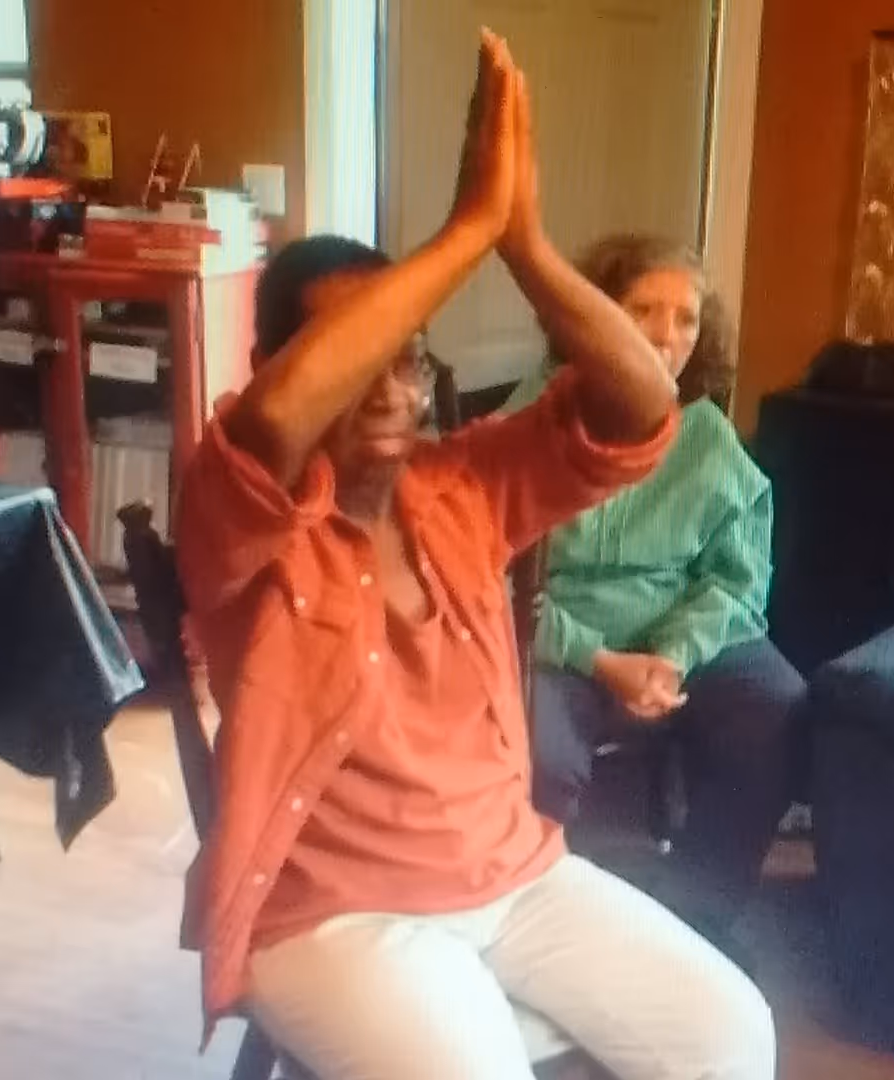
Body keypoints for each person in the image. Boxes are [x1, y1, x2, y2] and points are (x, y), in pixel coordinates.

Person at [174, 30, 776, 1080]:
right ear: (278, 366)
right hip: (333, 916)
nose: (388, 387)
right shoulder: (238, 516)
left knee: (731, 1035)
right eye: (351, 354)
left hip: (514, 876)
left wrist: (523, 243)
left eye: (404, 356)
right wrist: (460, 233)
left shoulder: (465, 483)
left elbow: (643, 409)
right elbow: (270, 433)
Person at [501, 234, 806, 958]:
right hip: (554, 640)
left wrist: (671, 654)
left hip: (678, 636)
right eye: (643, 311)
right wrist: (600, 660)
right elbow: (486, 580)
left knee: (778, 710)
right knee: (533, 752)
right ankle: (540, 930)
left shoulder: (707, 437)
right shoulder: (528, 421)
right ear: (592, 312)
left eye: (686, 320)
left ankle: (693, 916)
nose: (667, 338)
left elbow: (737, 579)